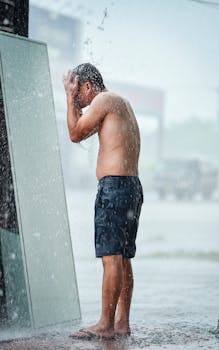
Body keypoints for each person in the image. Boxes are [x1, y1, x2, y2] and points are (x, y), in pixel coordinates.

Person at [63, 63, 143, 340]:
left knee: (111, 258)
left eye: (78, 93)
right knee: (122, 258)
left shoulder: (103, 100)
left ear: (87, 86)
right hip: (131, 186)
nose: (79, 102)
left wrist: (68, 99)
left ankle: (105, 324)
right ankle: (121, 322)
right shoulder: (121, 102)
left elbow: (75, 134)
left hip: (115, 187)